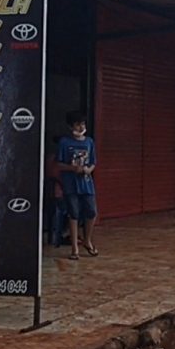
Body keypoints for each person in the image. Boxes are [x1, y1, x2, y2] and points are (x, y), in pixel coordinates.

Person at [57, 111, 99, 260]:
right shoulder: (64, 142)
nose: (81, 127)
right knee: (73, 213)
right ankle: (74, 247)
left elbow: (93, 162)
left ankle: (87, 239)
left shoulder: (89, 142)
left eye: (83, 124)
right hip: (70, 183)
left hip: (86, 183)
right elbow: (59, 164)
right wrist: (72, 168)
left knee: (91, 211)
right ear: (71, 126)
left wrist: (88, 169)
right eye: (77, 124)